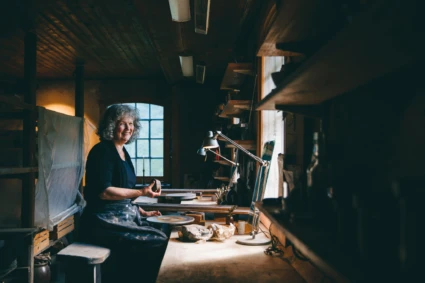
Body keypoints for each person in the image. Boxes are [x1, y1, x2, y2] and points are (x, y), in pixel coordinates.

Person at [81, 104, 168, 282]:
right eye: (123, 123)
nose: (129, 128)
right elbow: (104, 193)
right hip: (102, 220)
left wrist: (141, 211)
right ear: (111, 126)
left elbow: (123, 195)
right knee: (158, 241)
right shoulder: (102, 152)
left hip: (121, 216)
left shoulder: (123, 151)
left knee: (163, 229)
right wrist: (141, 192)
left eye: (131, 123)